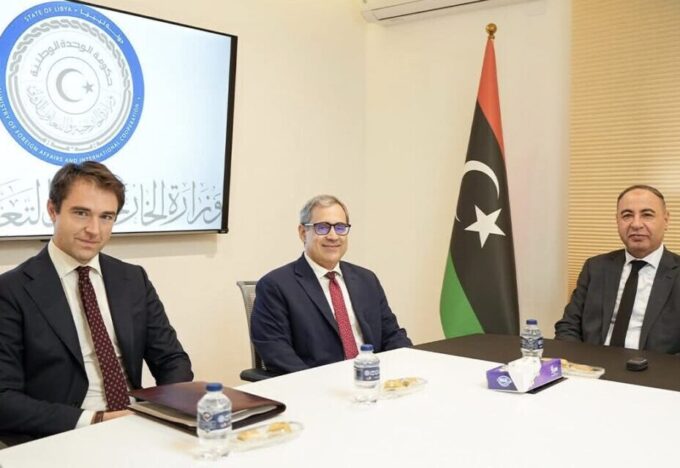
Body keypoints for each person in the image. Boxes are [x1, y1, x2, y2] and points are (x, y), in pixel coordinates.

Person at [0, 162, 193, 444]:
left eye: (106, 217)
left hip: (136, 423)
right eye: (81, 213)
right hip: (62, 434)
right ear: (52, 210)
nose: (94, 229)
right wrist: (96, 420)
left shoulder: (132, 279)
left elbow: (172, 359)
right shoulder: (11, 290)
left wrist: (168, 410)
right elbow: (4, 398)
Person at [250, 195, 412, 374]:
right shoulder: (275, 286)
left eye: (340, 227)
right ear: (303, 233)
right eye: (322, 227)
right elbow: (277, 353)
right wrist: (320, 384)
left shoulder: (366, 279)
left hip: (373, 379)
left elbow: (392, 335)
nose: (333, 236)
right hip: (316, 384)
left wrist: (410, 365)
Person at [555, 184, 680, 353]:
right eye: (627, 215)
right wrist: (580, 364)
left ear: (666, 220)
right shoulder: (595, 268)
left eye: (647, 215)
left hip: (655, 367)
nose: (636, 224)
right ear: (617, 221)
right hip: (592, 364)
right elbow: (568, 327)